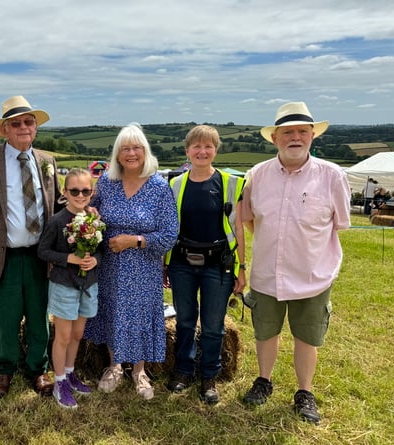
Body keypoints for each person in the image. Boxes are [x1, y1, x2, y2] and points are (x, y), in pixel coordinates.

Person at [239, 102, 350, 424]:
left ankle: (304, 391)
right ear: (275, 138)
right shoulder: (257, 175)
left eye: (303, 131)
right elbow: (248, 219)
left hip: (313, 275)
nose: (295, 137)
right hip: (267, 274)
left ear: (313, 136)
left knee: (307, 337)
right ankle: (264, 380)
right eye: (288, 132)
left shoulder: (332, 176)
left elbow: (339, 224)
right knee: (265, 333)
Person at [0, 95, 61, 398]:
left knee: (39, 319)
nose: (24, 127)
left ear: (35, 128)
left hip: (39, 256)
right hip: (3, 256)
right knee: (6, 321)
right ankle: (4, 369)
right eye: (16, 123)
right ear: (5, 130)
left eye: (28, 121)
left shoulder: (47, 162)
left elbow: (57, 206)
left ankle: (38, 369)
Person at [83, 123, 179, 400]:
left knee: (140, 314)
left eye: (137, 147)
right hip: (110, 265)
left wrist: (135, 240)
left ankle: (139, 370)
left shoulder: (159, 187)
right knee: (112, 310)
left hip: (143, 265)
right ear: (117, 154)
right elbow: (93, 218)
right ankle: (115, 366)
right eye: (125, 148)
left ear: (145, 152)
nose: (131, 153)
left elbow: (170, 232)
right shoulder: (106, 184)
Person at [163, 125, 246, 405]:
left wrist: (242, 268)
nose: (202, 151)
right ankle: (184, 371)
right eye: (196, 147)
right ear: (187, 151)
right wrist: (165, 264)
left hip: (218, 265)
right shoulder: (174, 184)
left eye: (208, 146)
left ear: (215, 150)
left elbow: (239, 228)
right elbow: (168, 227)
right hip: (182, 263)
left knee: (213, 326)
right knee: (185, 322)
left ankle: (209, 376)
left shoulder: (230, 183)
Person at [37, 168, 101, 409]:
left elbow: (101, 250)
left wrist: (95, 260)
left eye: (85, 191)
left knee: (77, 334)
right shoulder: (57, 220)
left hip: (88, 284)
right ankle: (59, 381)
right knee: (63, 336)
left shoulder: (95, 220)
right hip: (64, 285)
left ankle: (71, 372)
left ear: (92, 192)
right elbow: (43, 251)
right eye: (74, 190)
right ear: (65, 192)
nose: (80, 195)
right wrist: (69, 259)